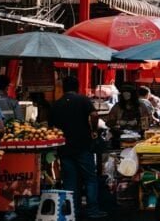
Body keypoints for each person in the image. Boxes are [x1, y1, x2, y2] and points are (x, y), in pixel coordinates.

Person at [50, 76, 106, 218]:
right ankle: (92, 210)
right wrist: (93, 130)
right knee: (90, 178)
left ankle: (72, 210)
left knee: (70, 180)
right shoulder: (83, 100)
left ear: (63, 87)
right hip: (83, 145)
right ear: (78, 86)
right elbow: (94, 114)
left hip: (64, 147)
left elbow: (51, 126)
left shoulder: (57, 104)